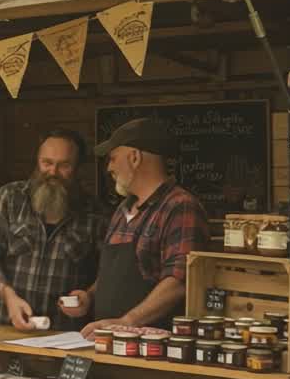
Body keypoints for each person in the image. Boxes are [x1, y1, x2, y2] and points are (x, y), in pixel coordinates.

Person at [60, 118, 211, 336]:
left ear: (134, 157)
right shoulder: (123, 209)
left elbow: (180, 281)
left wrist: (127, 321)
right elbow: (113, 275)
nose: (109, 167)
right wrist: (90, 296)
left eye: (113, 158)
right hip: (108, 341)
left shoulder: (180, 206)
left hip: (152, 350)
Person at [0, 129, 106, 331]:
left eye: (64, 165)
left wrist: (89, 296)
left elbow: (108, 272)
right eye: (47, 163)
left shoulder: (95, 213)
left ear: (77, 168)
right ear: (37, 162)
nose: (53, 172)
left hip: (63, 334)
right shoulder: (10, 198)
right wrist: (9, 296)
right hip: (3, 328)